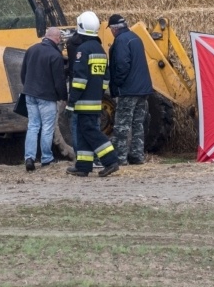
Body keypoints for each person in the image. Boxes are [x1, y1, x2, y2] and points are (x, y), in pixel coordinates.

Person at [66, 11, 120, 178]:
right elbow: (106, 79)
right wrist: (97, 94)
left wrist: (71, 102)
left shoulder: (82, 50)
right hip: (95, 101)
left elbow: (79, 80)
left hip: (83, 102)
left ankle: (111, 161)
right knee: (84, 132)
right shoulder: (101, 51)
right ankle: (83, 166)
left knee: (90, 132)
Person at [107, 14, 153, 166]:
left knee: (122, 125)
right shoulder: (135, 38)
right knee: (137, 124)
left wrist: (117, 84)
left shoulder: (121, 40)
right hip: (143, 89)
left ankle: (120, 158)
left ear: (114, 29)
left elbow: (122, 65)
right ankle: (137, 155)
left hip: (128, 90)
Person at [21, 26, 67, 171]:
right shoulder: (55, 55)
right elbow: (59, 81)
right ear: (57, 38)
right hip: (47, 97)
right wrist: (63, 97)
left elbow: (24, 73)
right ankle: (46, 158)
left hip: (30, 94)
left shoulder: (31, 50)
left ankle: (29, 158)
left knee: (33, 126)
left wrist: (28, 88)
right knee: (47, 127)